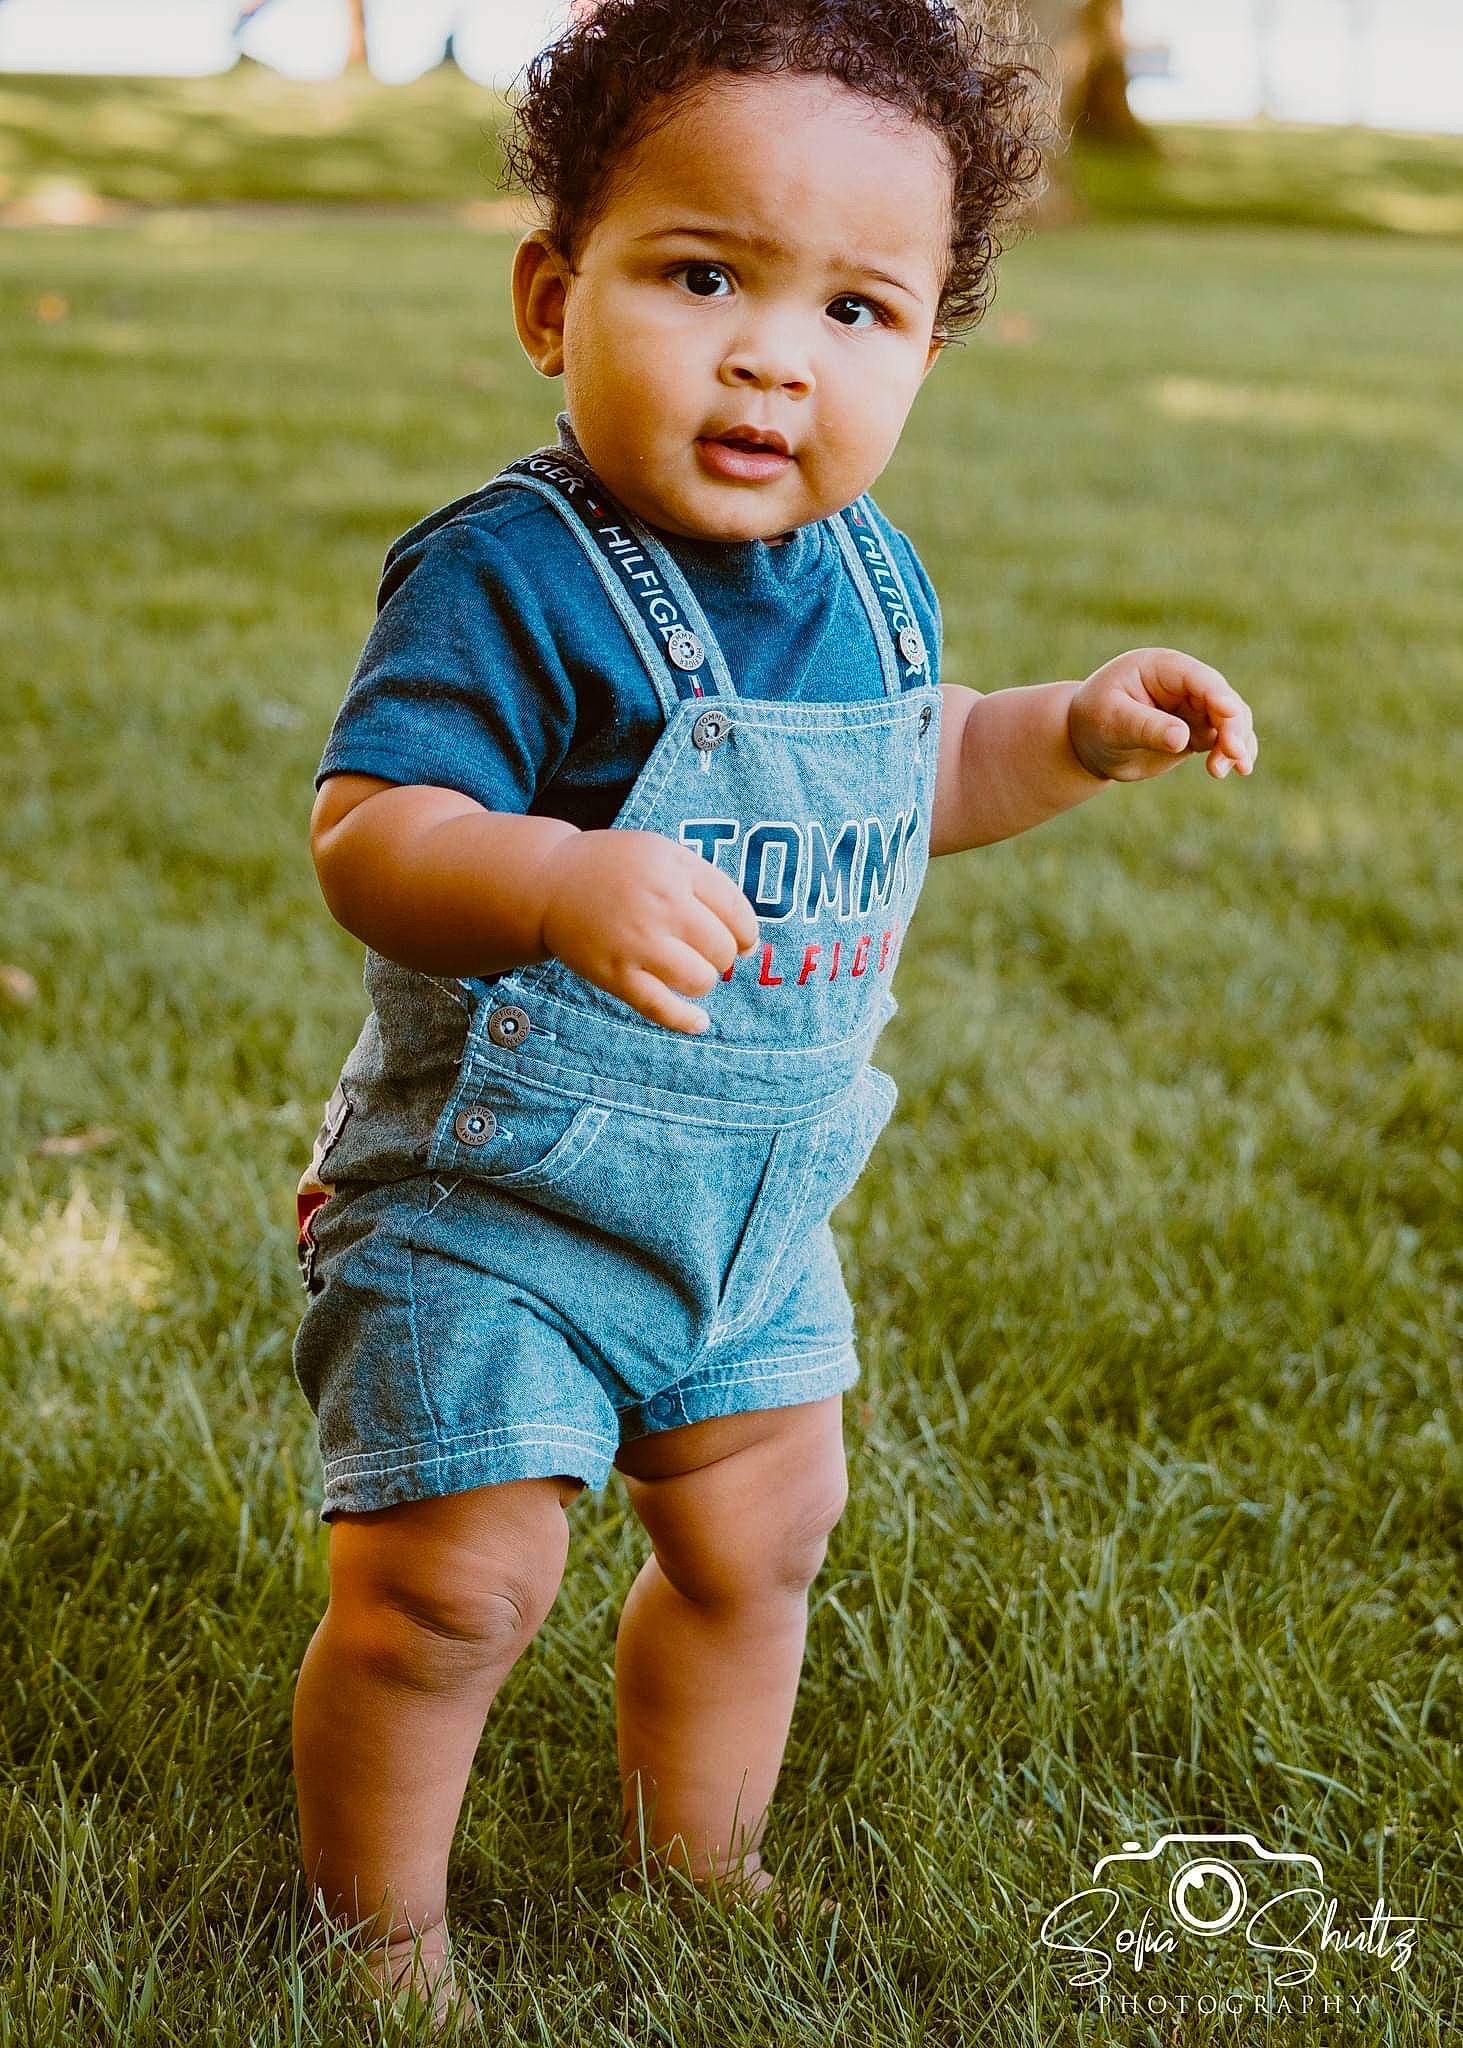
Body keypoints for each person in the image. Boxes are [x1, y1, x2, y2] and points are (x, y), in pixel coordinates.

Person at [288, 0, 1259, 2028]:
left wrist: (1068, 733)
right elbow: (371, 832)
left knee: (762, 1541)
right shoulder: (512, 578)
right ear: (559, 297)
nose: (771, 355)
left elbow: (919, 769)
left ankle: (704, 1867)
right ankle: (377, 1934)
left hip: (748, 1216)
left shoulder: (870, 582)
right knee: (455, 1583)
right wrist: (555, 874)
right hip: (498, 1204)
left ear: (922, 347)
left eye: (855, 311)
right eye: (703, 274)